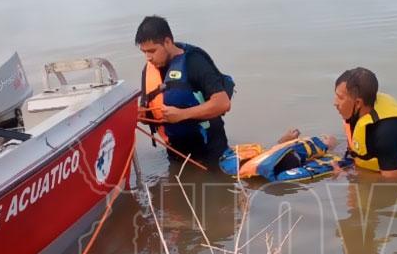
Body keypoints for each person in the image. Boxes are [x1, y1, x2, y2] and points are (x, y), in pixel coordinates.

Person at [136, 15, 235, 163]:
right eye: (144, 52)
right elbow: (150, 114)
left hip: (210, 153)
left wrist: (183, 114)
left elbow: (223, 103)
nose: (148, 57)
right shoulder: (150, 70)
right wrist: (140, 115)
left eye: (152, 51)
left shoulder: (194, 62)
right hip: (176, 155)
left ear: (167, 42)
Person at [333, 67, 397, 179]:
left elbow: (391, 182)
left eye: (340, 98)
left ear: (358, 103)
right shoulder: (359, 108)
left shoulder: (386, 134)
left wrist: (348, 174)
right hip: (381, 153)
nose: (335, 103)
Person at [219, 128, 352, 182]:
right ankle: (328, 143)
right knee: (329, 142)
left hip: (283, 155)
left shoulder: (235, 167)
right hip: (289, 156)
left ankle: (287, 143)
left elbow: (270, 154)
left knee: (327, 144)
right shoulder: (260, 166)